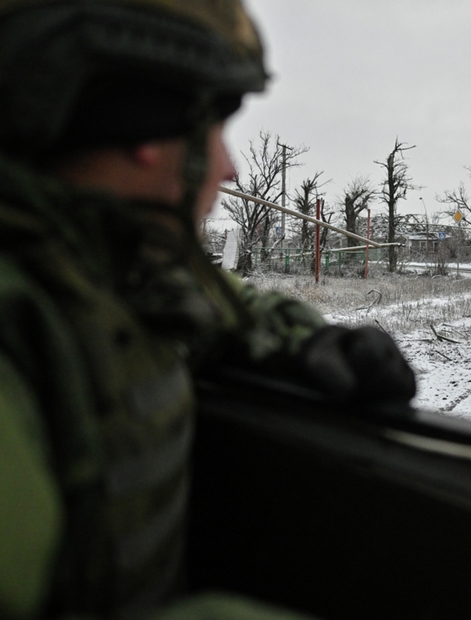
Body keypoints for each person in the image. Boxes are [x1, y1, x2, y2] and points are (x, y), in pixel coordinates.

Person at [0, 1, 414, 618]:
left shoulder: (96, 265)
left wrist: (296, 338)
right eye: (214, 132)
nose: (229, 168)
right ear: (143, 132)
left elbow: (200, 299)